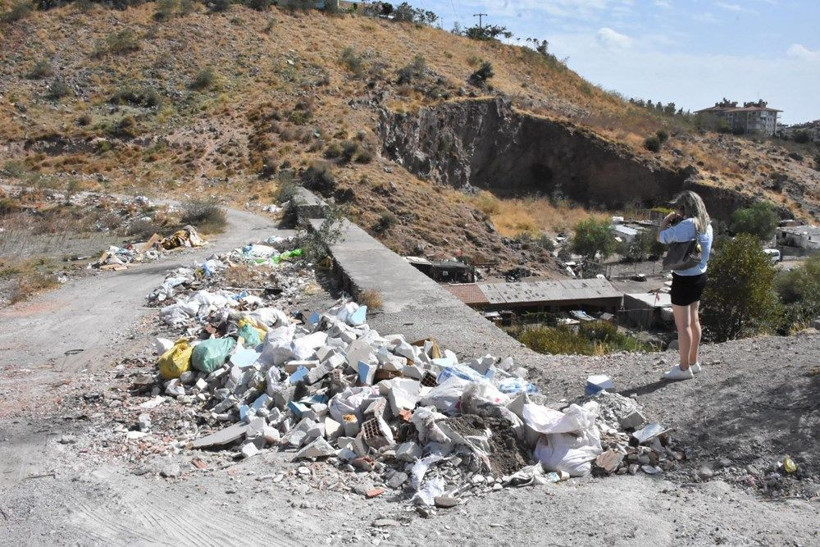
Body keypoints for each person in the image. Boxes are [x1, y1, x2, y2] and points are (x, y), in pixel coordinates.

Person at [657, 190, 713, 381]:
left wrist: (667, 220)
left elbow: (661, 237)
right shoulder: (707, 224)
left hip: (684, 279)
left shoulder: (687, 225)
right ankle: (693, 362)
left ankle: (683, 368)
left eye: (679, 208)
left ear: (684, 207)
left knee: (683, 326)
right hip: (700, 276)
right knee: (694, 321)